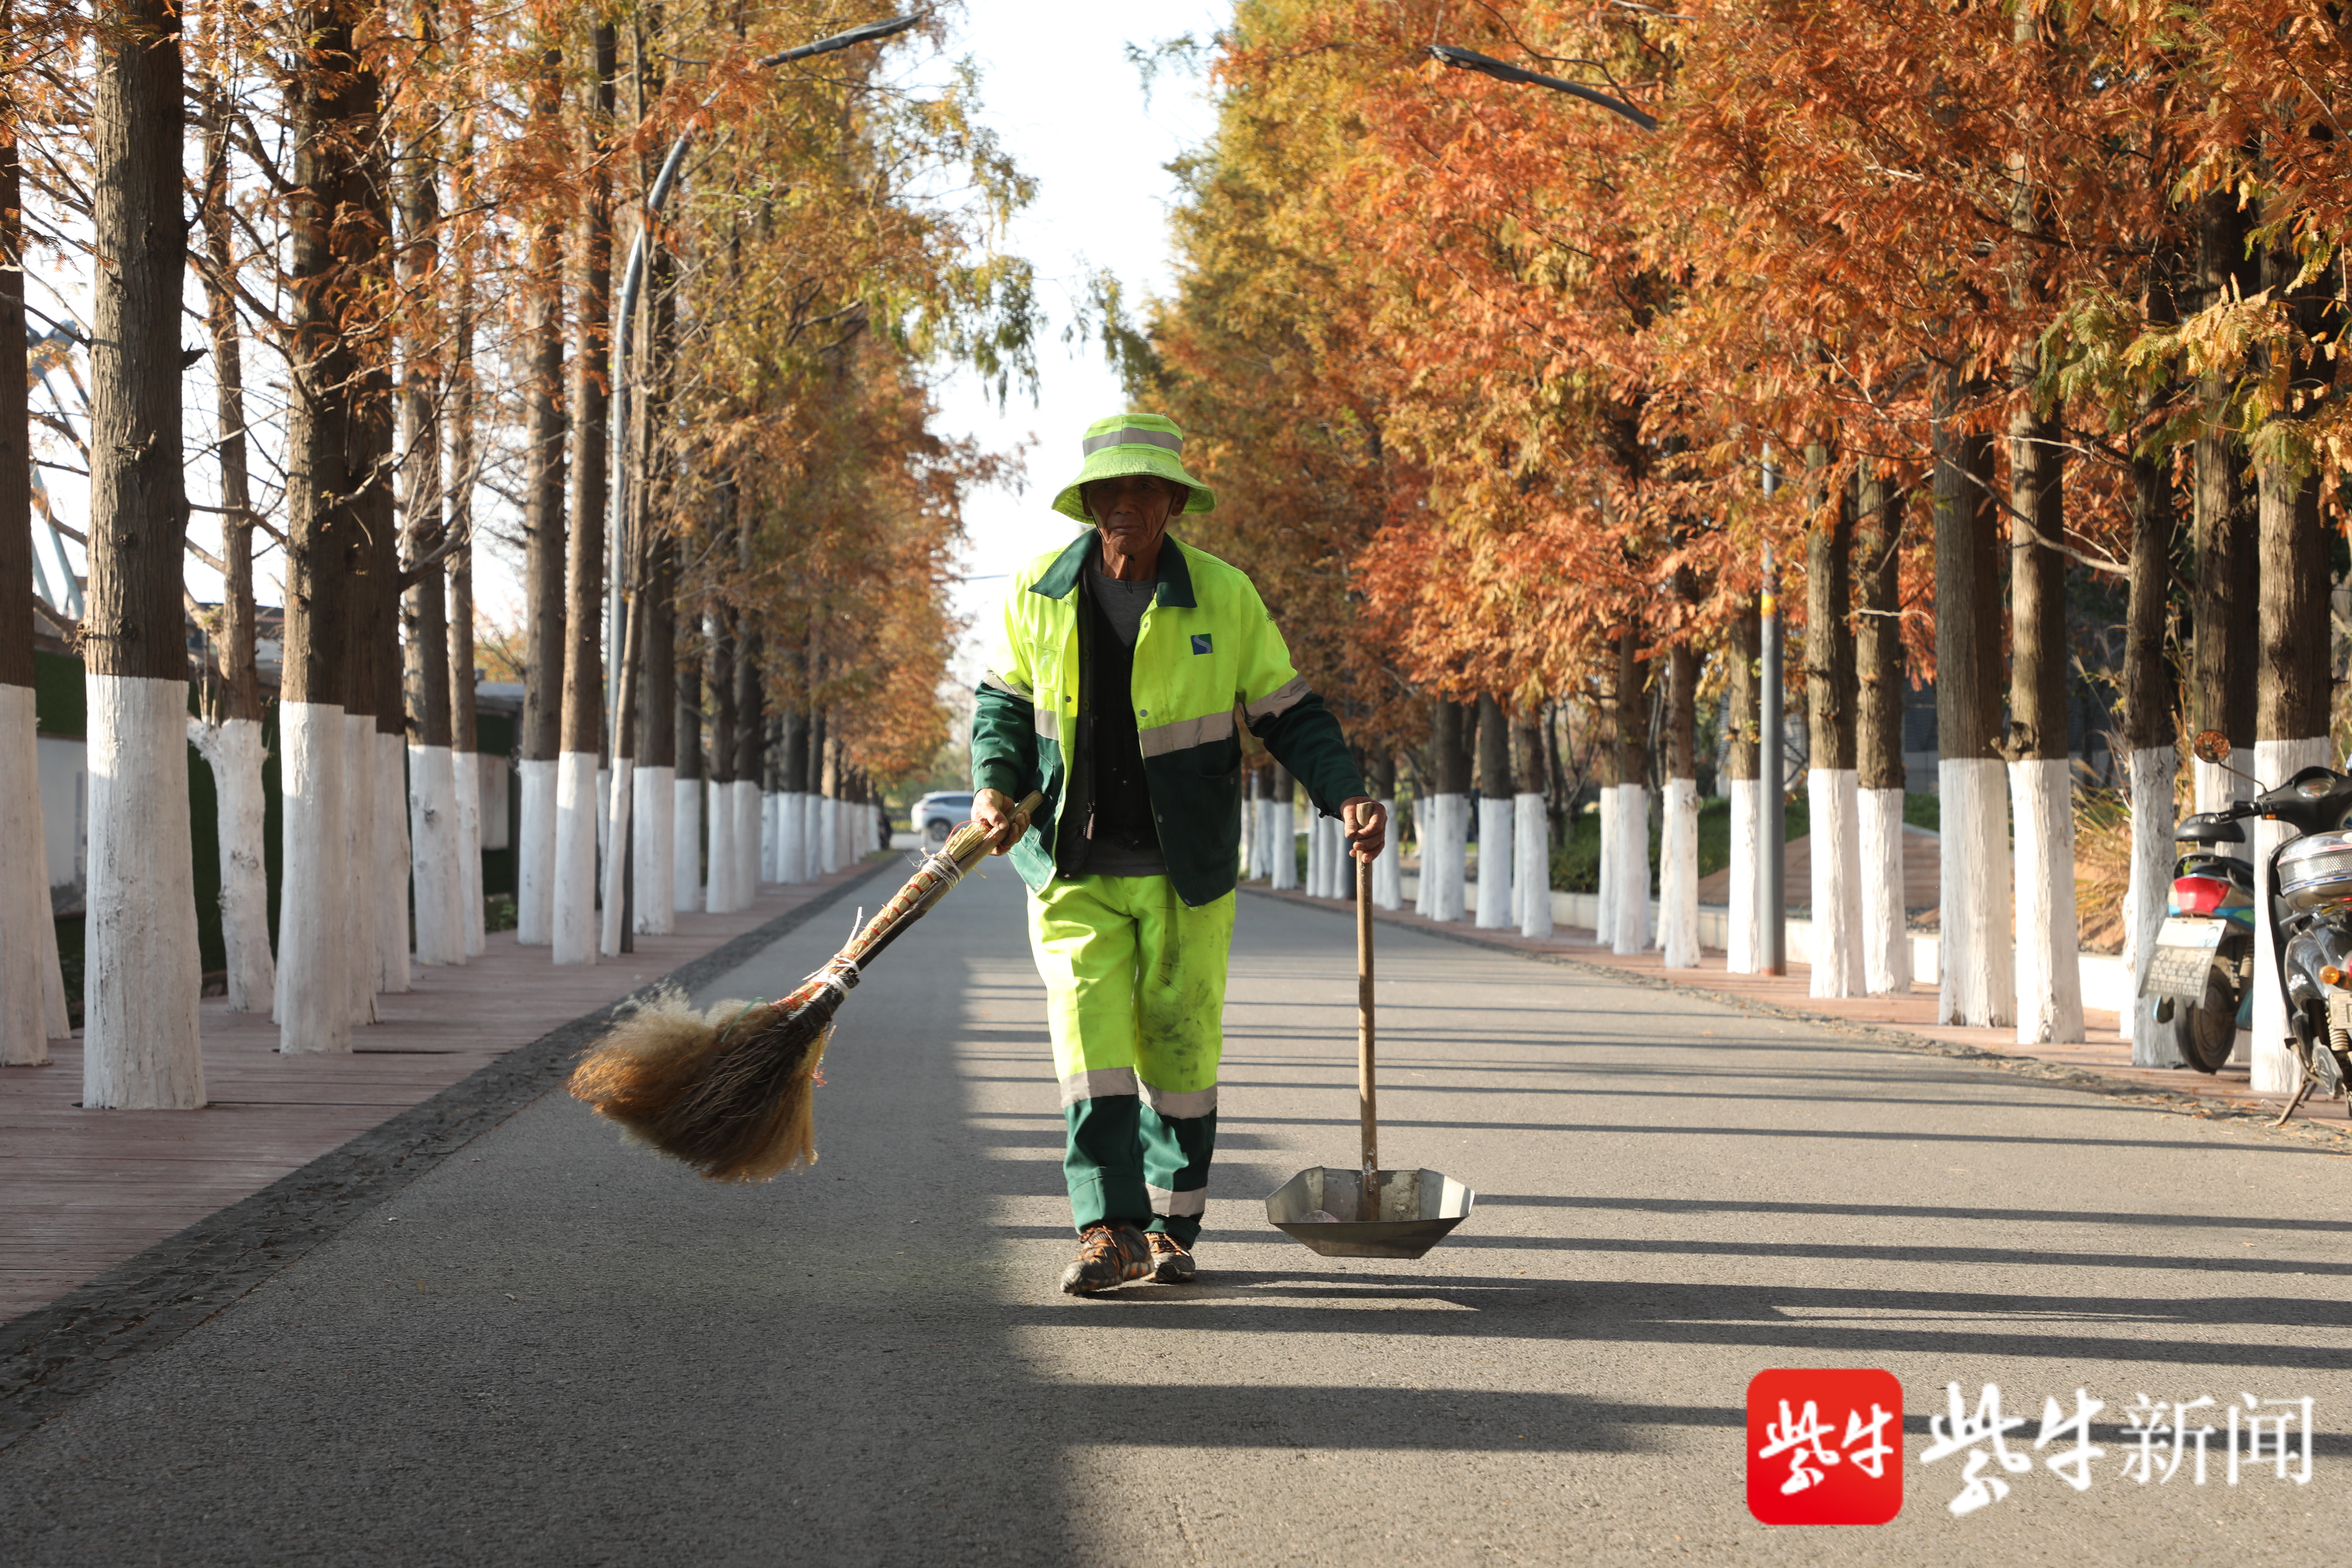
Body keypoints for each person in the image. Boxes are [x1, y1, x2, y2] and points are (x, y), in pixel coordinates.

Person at [970, 413, 1386, 1295]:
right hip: (1071, 868)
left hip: (1184, 872)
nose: (1125, 506)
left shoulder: (1226, 597)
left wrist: (1343, 790)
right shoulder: (1037, 592)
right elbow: (1003, 705)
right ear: (1087, 502)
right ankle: (1106, 1228)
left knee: (1182, 1058)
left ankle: (1171, 1227)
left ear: (1172, 502)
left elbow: (1290, 714)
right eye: (1109, 491)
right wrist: (994, 786)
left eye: (1143, 490)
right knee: (1090, 1048)